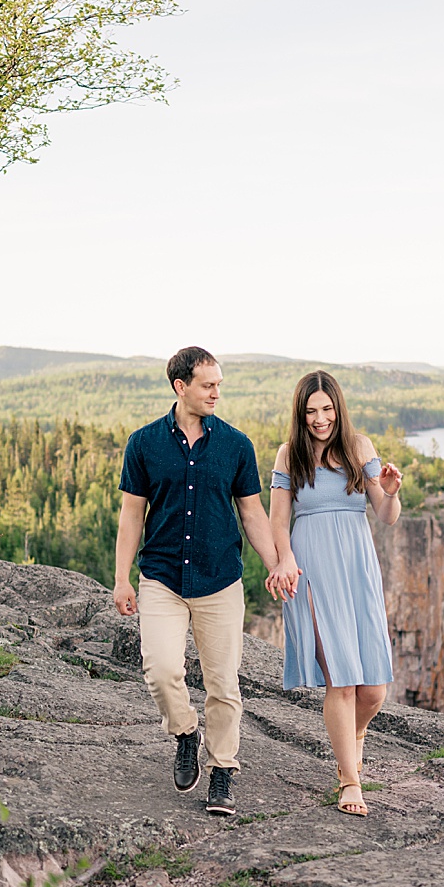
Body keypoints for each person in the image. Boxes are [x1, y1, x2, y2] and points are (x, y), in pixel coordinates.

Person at [115, 349, 286, 818]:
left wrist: (275, 564)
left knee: (223, 683)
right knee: (161, 668)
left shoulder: (235, 445)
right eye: (208, 385)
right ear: (180, 386)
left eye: (219, 384)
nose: (216, 393)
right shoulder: (144, 443)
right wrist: (121, 578)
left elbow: (252, 512)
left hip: (219, 580)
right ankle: (185, 733)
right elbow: (132, 515)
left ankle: (223, 769)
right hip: (162, 577)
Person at [267, 371, 403, 817]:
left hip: (358, 568)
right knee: (341, 681)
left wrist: (390, 492)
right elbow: (278, 521)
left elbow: (385, 514)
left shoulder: (359, 447)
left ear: (338, 408)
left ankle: (354, 736)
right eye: (310, 411)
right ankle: (350, 780)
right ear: (300, 414)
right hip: (313, 569)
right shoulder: (290, 454)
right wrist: (284, 560)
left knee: (374, 691)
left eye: (326, 409)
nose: (320, 419)